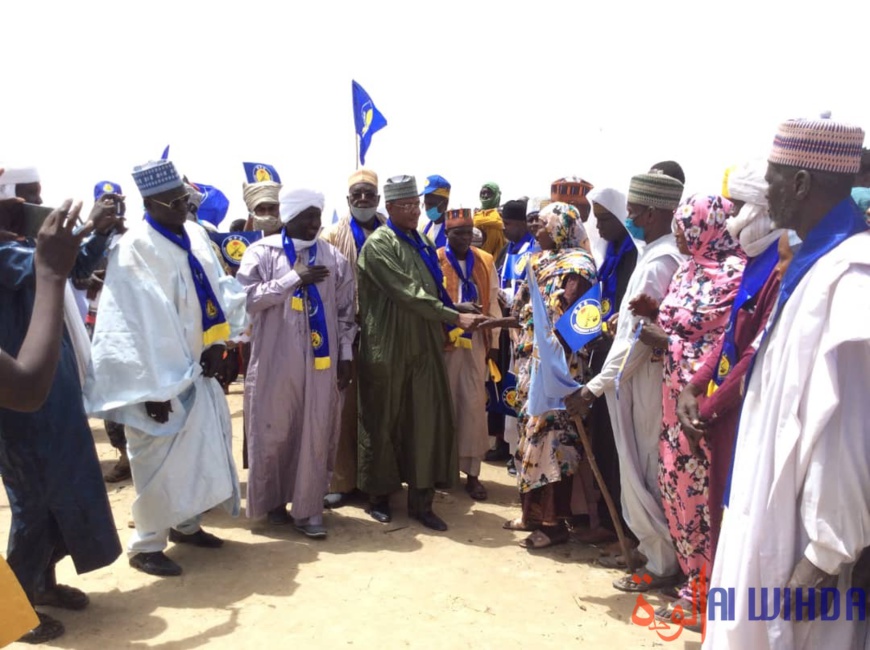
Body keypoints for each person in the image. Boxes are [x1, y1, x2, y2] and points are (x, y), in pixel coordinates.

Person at [707, 115, 870, 649]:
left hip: (804, 551)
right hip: (766, 517)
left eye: (775, 176)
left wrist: (823, 555)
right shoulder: (816, 264)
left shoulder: (851, 277)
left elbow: (848, 430)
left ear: (801, 183)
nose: (766, 188)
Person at [84, 159, 247, 578]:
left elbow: (217, 290)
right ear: (151, 202)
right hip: (157, 381)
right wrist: (153, 390)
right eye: (175, 202)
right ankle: (146, 546)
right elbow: (132, 324)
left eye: (186, 200)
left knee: (198, 456)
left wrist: (220, 341)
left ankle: (187, 526)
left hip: (199, 368)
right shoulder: (134, 246)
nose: (183, 208)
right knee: (155, 464)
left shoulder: (193, 233)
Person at [0, 191, 123, 643]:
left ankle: (42, 584)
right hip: (19, 405)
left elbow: (70, 266)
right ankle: (15, 607)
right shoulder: (8, 254)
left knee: (61, 497)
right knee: (34, 504)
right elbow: (49, 268)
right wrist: (74, 237)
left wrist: (95, 232)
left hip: (50, 392)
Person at [566, 171, 685, 591]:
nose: (627, 217)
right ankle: (652, 550)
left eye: (632, 211)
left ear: (651, 213)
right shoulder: (655, 253)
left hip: (643, 382)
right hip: (634, 379)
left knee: (644, 471)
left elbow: (636, 342)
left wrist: (593, 387)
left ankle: (660, 562)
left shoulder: (659, 261)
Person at [633, 193, 745, 617]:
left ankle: (708, 597)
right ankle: (692, 583)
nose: (678, 233)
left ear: (708, 226)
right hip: (670, 405)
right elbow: (682, 325)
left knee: (701, 499)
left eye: (685, 226)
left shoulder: (734, 276)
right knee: (677, 491)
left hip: (704, 409)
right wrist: (656, 314)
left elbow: (726, 346)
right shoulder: (687, 271)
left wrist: (669, 342)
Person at [356, 175, 487, 531]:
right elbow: (407, 292)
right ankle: (379, 497)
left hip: (425, 343)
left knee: (425, 419)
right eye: (406, 206)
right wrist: (452, 316)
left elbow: (432, 288)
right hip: (388, 345)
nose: (414, 211)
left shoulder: (424, 242)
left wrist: (455, 305)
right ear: (391, 208)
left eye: (416, 204)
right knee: (385, 419)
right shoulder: (380, 245)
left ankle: (421, 500)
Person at [675, 161, 784, 566]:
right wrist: (694, 386)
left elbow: (757, 352)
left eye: (738, 208)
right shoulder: (757, 259)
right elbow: (730, 341)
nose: (732, 220)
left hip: (743, 414)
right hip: (720, 415)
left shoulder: (780, 265)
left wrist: (708, 405)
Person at [238, 188, 355, 536]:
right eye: (306, 218)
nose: (314, 225)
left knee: (315, 429)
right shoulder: (262, 252)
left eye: (317, 217)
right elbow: (245, 299)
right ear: (288, 218)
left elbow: (347, 312)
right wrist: (293, 279)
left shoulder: (334, 258)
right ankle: (273, 502)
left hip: (322, 364)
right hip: (276, 360)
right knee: (275, 428)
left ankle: (308, 510)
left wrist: (346, 355)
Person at [504, 202, 598, 549]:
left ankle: (553, 523)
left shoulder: (579, 267)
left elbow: (580, 322)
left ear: (562, 226)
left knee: (554, 443)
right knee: (530, 438)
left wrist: (552, 353)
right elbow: (522, 311)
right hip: (531, 363)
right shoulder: (537, 261)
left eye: (543, 224)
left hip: (560, 369)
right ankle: (530, 514)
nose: (536, 230)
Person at [574, 186, 639, 545]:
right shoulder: (611, 254)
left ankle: (625, 530)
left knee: (619, 446)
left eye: (603, 220)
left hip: (623, 362)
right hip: (604, 353)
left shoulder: (634, 258)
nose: (597, 228)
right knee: (603, 439)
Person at [319, 169, 385, 508]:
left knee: (380, 409)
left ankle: (379, 481)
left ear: (378, 199)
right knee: (343, 410)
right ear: (348, 199)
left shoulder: (393, 234)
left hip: (387, 334)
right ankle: (341, 481)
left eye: (369, 195)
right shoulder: (331, 235)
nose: (363, 200)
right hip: (346, 331)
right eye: (357, 194)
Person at [437, 208, 501, 501]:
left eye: (467, 232)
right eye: (457, 233)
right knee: (444, 404)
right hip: (445, 344)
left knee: (474, 407)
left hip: (476, 344)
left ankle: (473, 475)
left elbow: (495, 306)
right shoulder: (436, 260)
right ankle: (443, 469)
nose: (463, 238)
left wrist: (496, 346)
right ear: (447, 234)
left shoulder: (486, 261)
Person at [486, 198, 532, 463]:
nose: (505, 229)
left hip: (521, 328)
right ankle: (503, 444)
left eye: (510, 224)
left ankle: (517, 451)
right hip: (503, 327)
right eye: (504, 223)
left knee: (517, 384)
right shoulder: (506, 250)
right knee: (500, 385)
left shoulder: (533, 249)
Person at [242, 162, 283, 236]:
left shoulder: (297, 240)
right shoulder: (253, 246)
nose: (267, 214)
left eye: (271, 209)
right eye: (261, 210)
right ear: (254, 212)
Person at [474, 182, 506, 257]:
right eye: (483, 193)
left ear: (496, 195)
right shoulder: (477, 213)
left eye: (489, 193)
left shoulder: (503, 212)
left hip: (499, 256)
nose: (485, 196)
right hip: (479, 257)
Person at [419, 174, 450, 249]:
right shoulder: (423, 228)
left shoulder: (452, 231)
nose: (428, 209)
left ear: (445, 203)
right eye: (426, 204)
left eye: (431, 204)